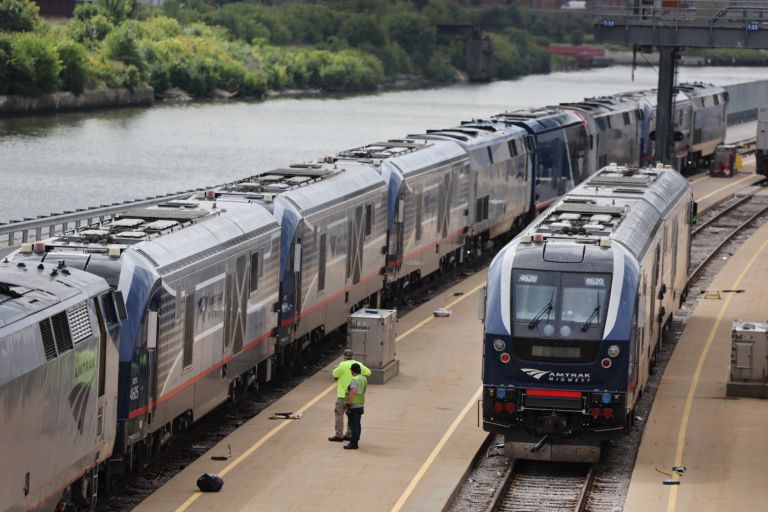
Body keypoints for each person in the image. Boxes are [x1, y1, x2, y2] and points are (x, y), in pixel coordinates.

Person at [329, 349, 370, 442]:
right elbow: (368, 372)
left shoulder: (342, 364)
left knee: (339, 414)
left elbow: (334, 374)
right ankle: (349, 434)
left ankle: (339, 435)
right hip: (354, 396)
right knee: (350, 415)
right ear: (353, 356)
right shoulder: (357, 364)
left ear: (344, 356)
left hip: (342, 395)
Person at [343, 363, 367, 450]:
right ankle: (356, 440)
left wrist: (348, 404)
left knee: (353, 424)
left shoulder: (355, 380)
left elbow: (353, 392)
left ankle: (354, 442)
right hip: (360, 404)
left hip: (354, 405)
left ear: (352, 371)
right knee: (357, 423)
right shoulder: (363, 378)